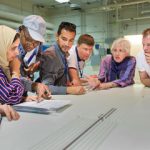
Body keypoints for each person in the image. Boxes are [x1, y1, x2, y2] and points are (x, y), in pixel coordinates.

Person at [39, 22, 85, 95]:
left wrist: (66, 84)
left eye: (71, 40)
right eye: (64, 39)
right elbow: (45, 87)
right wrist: (69, 90)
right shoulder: (51, 55)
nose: (67, 44)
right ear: (57, 36)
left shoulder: (62, 53)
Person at [17, 15, 51, 100]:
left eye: (36, 42)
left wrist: (36, 67)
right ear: (21, 30)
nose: (32, 45)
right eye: (28, 39)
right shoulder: (10, 45)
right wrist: (34, 85)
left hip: (24, 92)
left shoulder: (38, 44)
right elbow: (12, 77)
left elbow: (39, 58)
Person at [0, 25, 24, 105]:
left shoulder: (4, 67)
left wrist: (24, 99)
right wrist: (15, 72)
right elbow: (11, 97)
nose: (17, 52)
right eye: (13, 48)